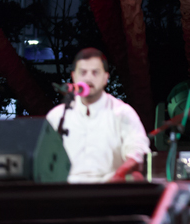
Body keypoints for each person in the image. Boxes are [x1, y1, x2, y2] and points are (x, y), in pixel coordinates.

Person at [45, 48, 150, 183]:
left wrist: (118, 176)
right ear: (74, 77)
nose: (88, 78)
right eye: (83, 72)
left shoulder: (122, 112)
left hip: (109, 189)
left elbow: (138, 153)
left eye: (95, 72)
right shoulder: (57, 116)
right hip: (66, 189)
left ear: (106, 78)